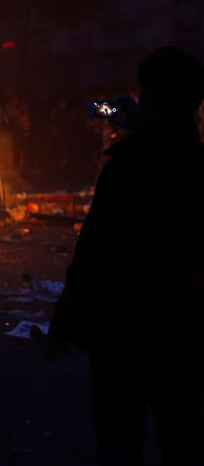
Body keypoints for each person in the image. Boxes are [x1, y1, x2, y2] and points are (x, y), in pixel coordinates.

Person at [49, 47, 204, 466]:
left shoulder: (127, 165)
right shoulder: (195, 165)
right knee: (186, 440)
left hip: (124, 330)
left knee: (120, 442)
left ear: (147, 96)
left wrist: (67, 313)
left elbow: (94, 250)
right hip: (188, 331)